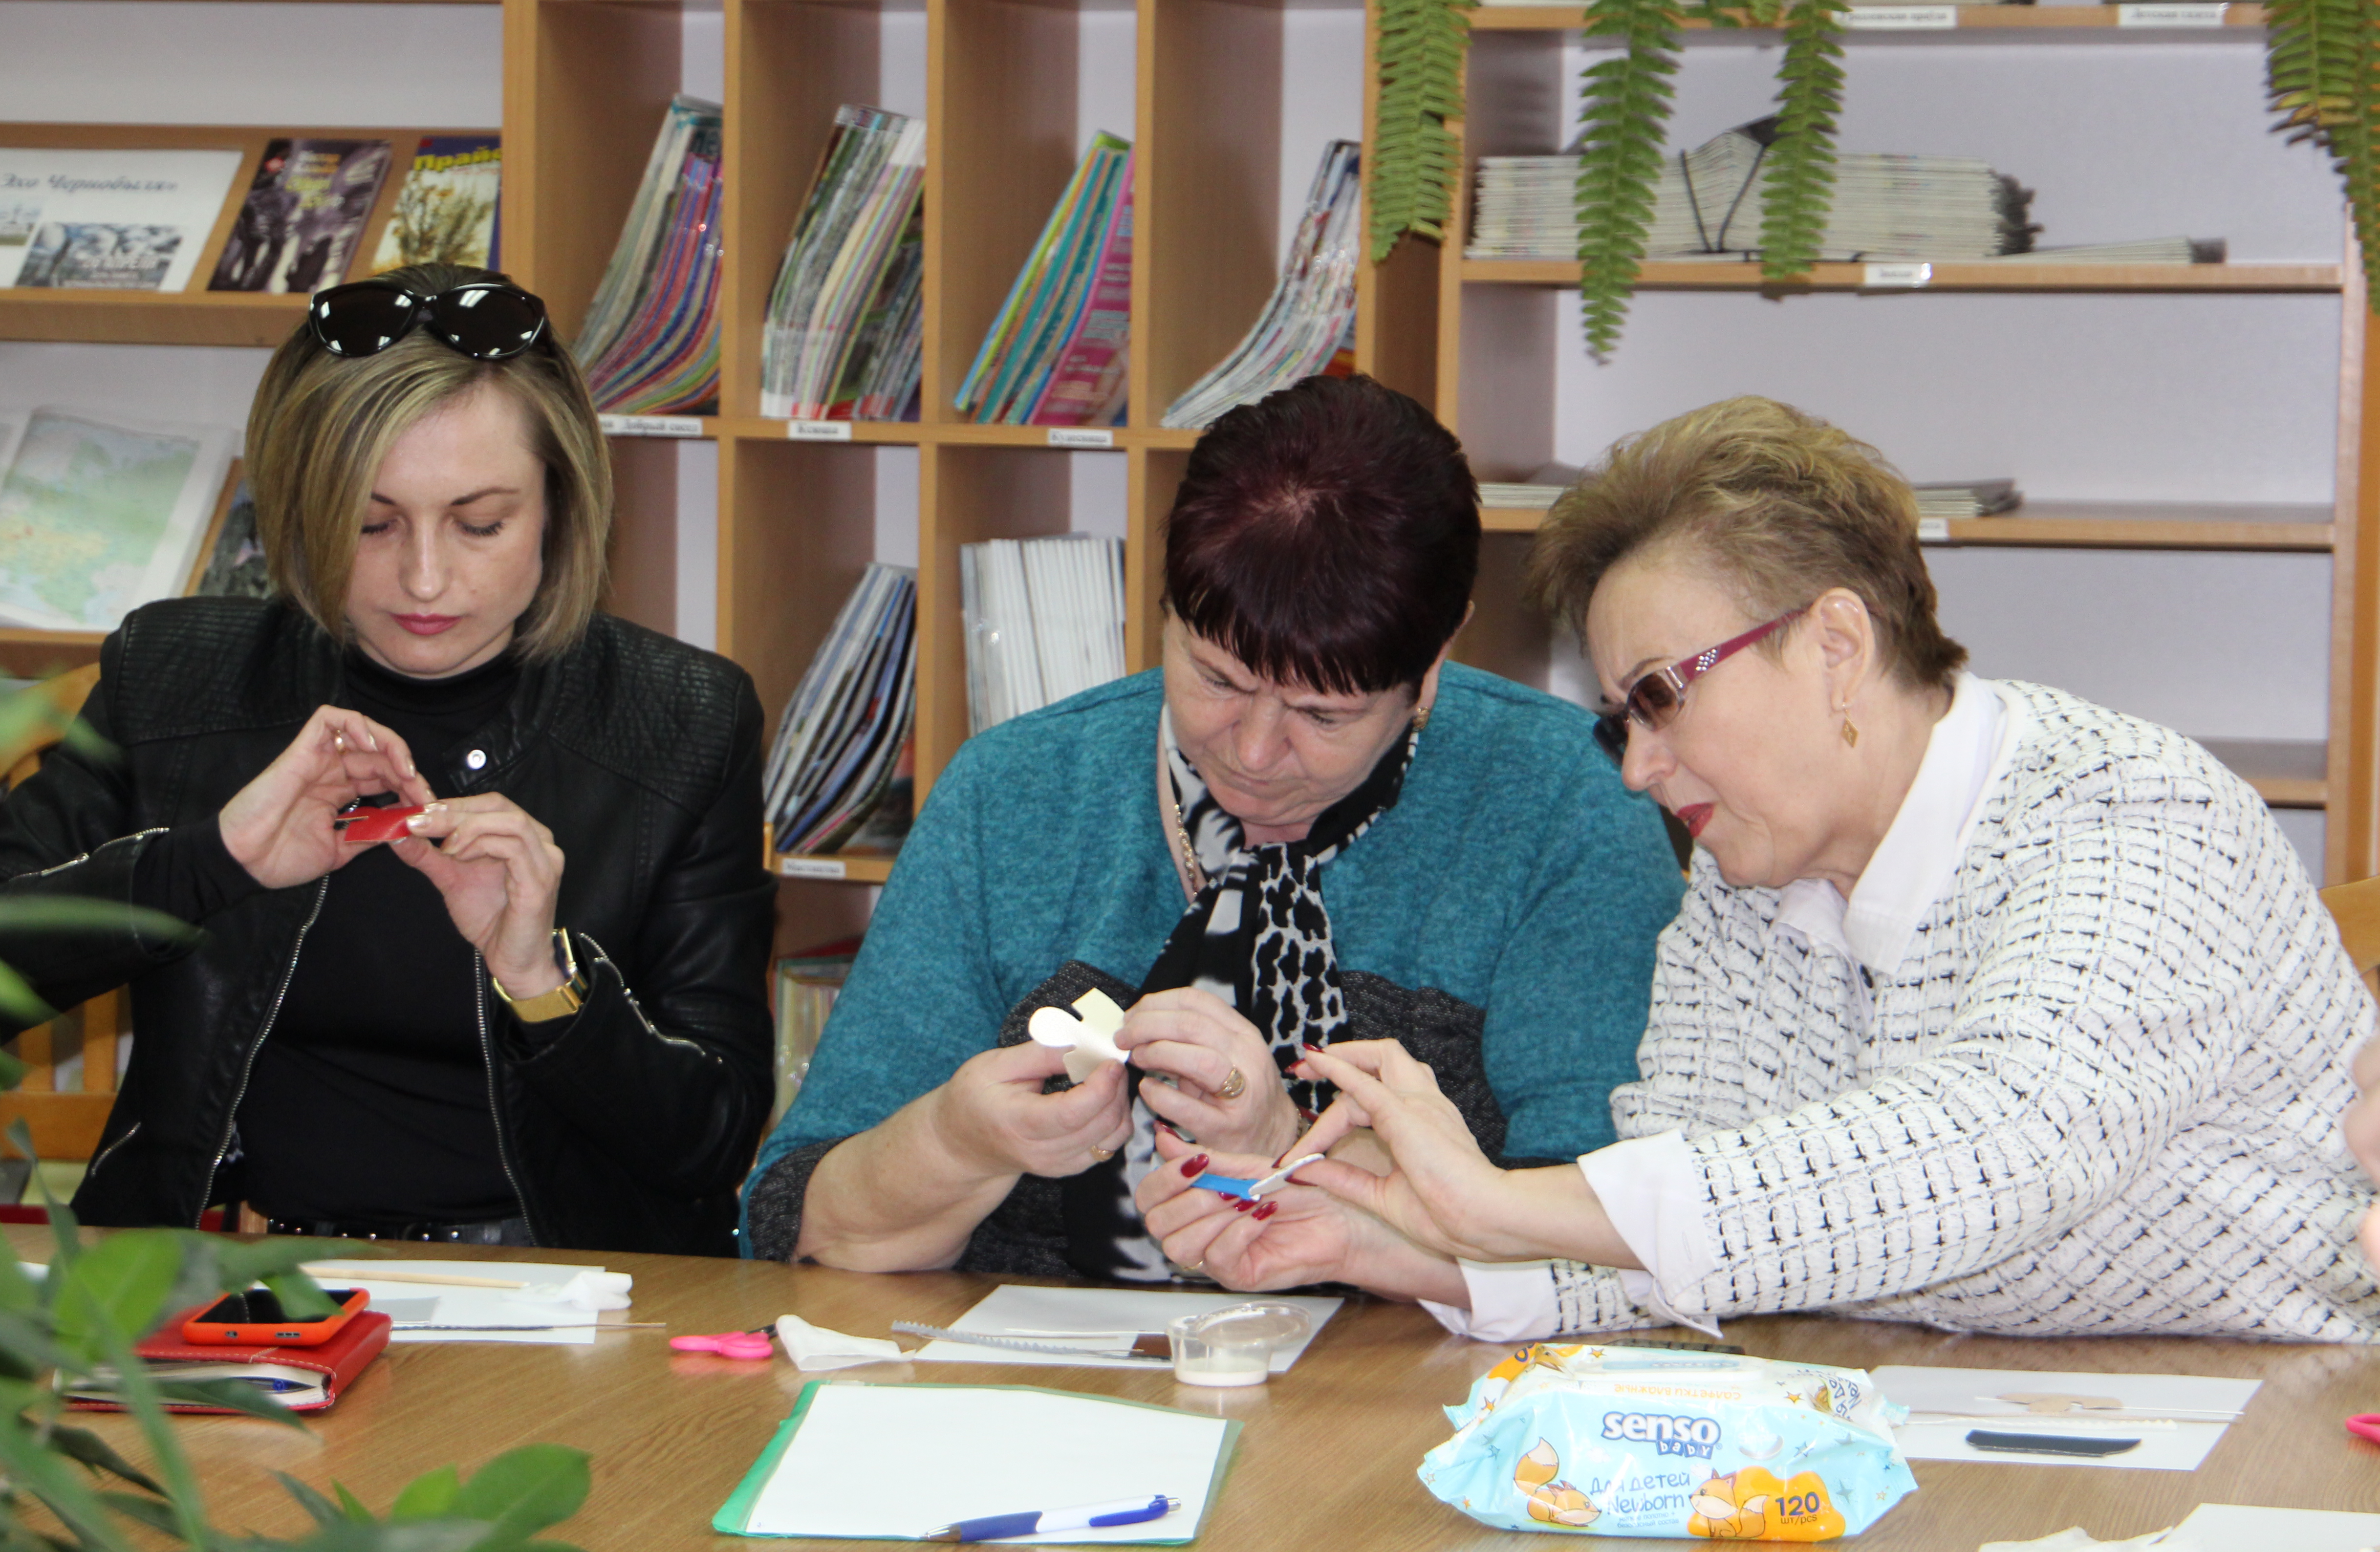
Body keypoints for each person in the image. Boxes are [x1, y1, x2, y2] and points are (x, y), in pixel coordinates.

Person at [1147, 395, 2380, 1340]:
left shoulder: (2133, 813)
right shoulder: (1746, 892)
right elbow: (1698, 1252)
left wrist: (1492, 1206)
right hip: (1978, 1431)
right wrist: (1388, 1244)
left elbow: (1996, 1149)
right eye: (1619, 719)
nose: (1637, 766)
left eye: (1660, 698)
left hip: (2293, 1424)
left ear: (1836, 644)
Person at [0, 263, 774, 1254]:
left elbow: (710, 1141)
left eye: (482, 524)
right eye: (371, 523)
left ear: (562, 511)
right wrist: (206, 864)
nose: (425, 576)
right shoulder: (182, 677)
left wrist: (545, 982)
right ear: (297, 507)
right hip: (227, 1287)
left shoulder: (680, 719)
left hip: (563, 1295)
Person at [742, 374, 1683, 1280]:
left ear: (1433, 662)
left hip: (1410, 1408)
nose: (1256, 752)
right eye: (1217, 681)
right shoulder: (1016, 794)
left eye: (1323, 716)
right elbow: (794, 1220)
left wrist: (1291, 1156)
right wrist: (953, 1143)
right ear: (1166, 613)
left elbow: (1616, 1245)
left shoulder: (1567, 806)